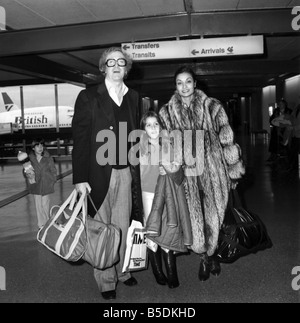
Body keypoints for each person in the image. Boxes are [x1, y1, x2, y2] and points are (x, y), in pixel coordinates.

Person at [158, 66, 245, 281]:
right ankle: (204, 257)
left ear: (195, 83)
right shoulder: (166, 112)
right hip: (186, 174)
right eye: (180, 82)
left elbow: (226, 138)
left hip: (214, 171)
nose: (184, 86)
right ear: (175, 86)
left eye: (188, 81)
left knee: (215, 214)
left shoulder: (212, 106)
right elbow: (165, 144)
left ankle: (212, 252)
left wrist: (234, 170)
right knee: (194, 218)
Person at [72, 47, 142, 301]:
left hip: (125, 173)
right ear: (103, 68)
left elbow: (135, 136)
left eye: (120, 62)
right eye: (109, 62)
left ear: (126, 68)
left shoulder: (134, 97)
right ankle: (106, 280)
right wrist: (80, 178)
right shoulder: (88, 96)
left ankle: (122, 271)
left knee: (122, 227)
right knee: (102, 230)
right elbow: (80, 139)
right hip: (97, 174)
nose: (115, 65)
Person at [138, 111, 192, 289]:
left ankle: (171, 272)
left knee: (169, 229)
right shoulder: (139, 148)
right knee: (153, 230)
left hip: (168, 192)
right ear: (143, 129)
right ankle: (157, 271)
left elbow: (180, 173)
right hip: (148, 193)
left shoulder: (170, 145)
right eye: (148, 124)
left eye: (156, 124)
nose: (153, 128)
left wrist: (170, 168)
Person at [26, 138, 57, 229]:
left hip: (46, 183)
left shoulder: (48, 157)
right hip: (36, 184)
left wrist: (52, 180)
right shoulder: (30, 159)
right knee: (38, 205)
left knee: (45, 204)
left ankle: (48, 222)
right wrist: (28, 174)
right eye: (37, 145)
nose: (40, 147)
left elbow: (53, 170)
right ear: (33, 148)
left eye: (41, 145)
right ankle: (41, 224)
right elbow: (26, 171)